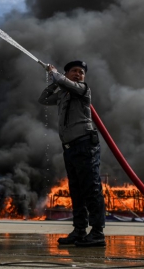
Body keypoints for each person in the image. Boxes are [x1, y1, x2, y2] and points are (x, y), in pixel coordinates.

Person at [38, 60, 106, 247]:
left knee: (91, 189)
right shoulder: (63, 93)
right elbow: (43, 99)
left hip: (85, 144)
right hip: (69, 147)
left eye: (81, 72)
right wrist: (54, 82)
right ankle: (79, 230)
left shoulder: (82, 90)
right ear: (67, 73)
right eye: (74, 71)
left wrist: (54, 73)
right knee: (76, 191)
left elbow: (66, 83)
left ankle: (98, 233)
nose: (78, 74)